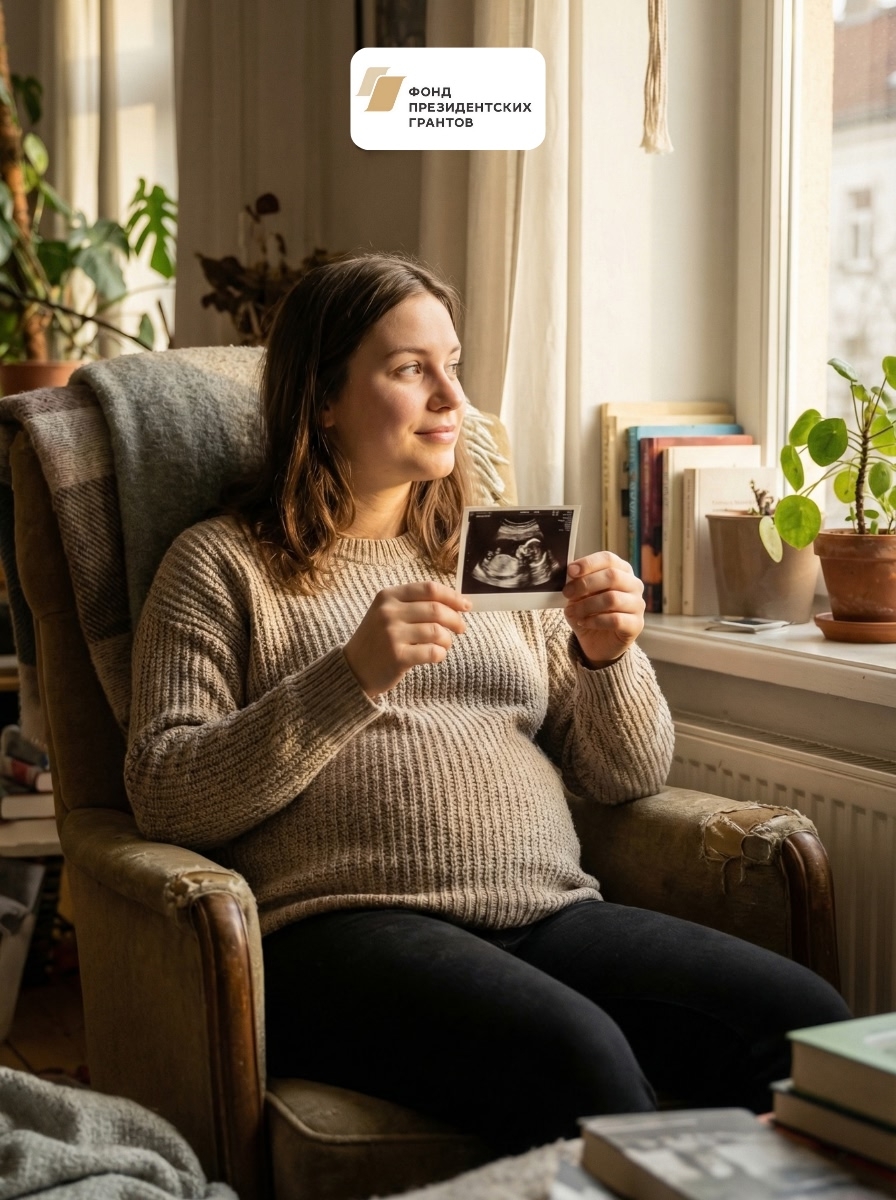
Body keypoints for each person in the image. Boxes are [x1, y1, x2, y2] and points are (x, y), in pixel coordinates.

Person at [125, 252, 850, 1156]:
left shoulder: (495, 554)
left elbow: (625, 775)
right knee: (584, 1059)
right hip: (343, 932)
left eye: (452, 365)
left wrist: (609, 654)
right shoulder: (220, 565)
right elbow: (163, 789)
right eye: (408, 369)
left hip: (547, 911)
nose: (450, 398)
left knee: (807, 1022)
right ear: (321, 399)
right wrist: (347, 677)